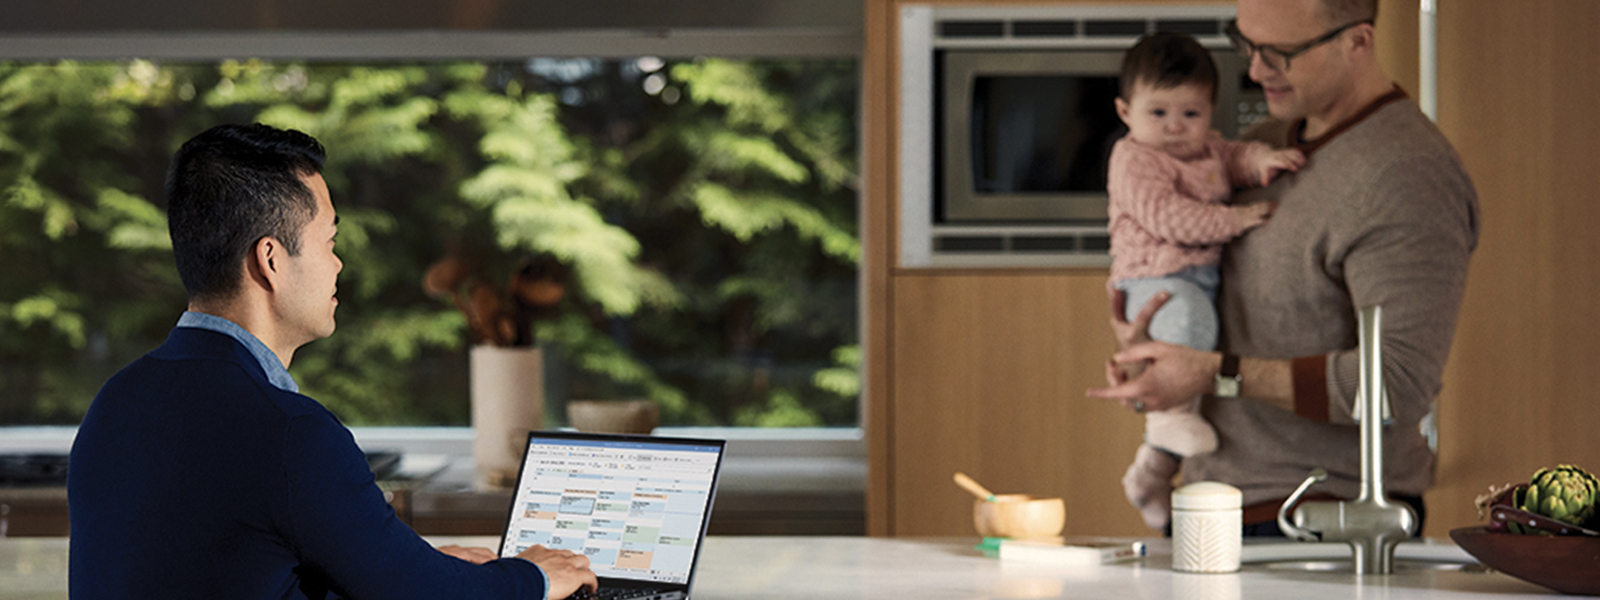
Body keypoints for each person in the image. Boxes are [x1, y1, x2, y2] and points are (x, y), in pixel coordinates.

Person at [67, 123, 598, 598]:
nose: (338, 263)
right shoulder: (288, 432)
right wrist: (536, 575)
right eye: (329, 240)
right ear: (270, 260)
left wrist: (416, 567)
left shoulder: (114, 404)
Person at [1087, 0, 1478, 536]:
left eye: (1280, 53)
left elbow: (1397, 383)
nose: (1254, 70)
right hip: (1211, 506)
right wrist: (1152, 355)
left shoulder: (1406, 177)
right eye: (1245, 43)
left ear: (1357, 42)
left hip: (1319, 520)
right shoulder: (1264, 146)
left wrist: (1215, 373)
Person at [1105, 32, 1305, 531]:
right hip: (1154, 277)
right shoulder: (1133, 159)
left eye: (1190, 114)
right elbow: (1168, 217)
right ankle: (1166, 432)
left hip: (1194, 279)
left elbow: (1234, 158)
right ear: (1125, 111)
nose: (1175, 127)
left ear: (1210, 112)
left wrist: (1262, 162)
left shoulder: (1208, 149)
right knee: (1189, 337)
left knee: (1193, 353)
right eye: (1159, 114)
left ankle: (1149, 476)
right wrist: (1234, 222)